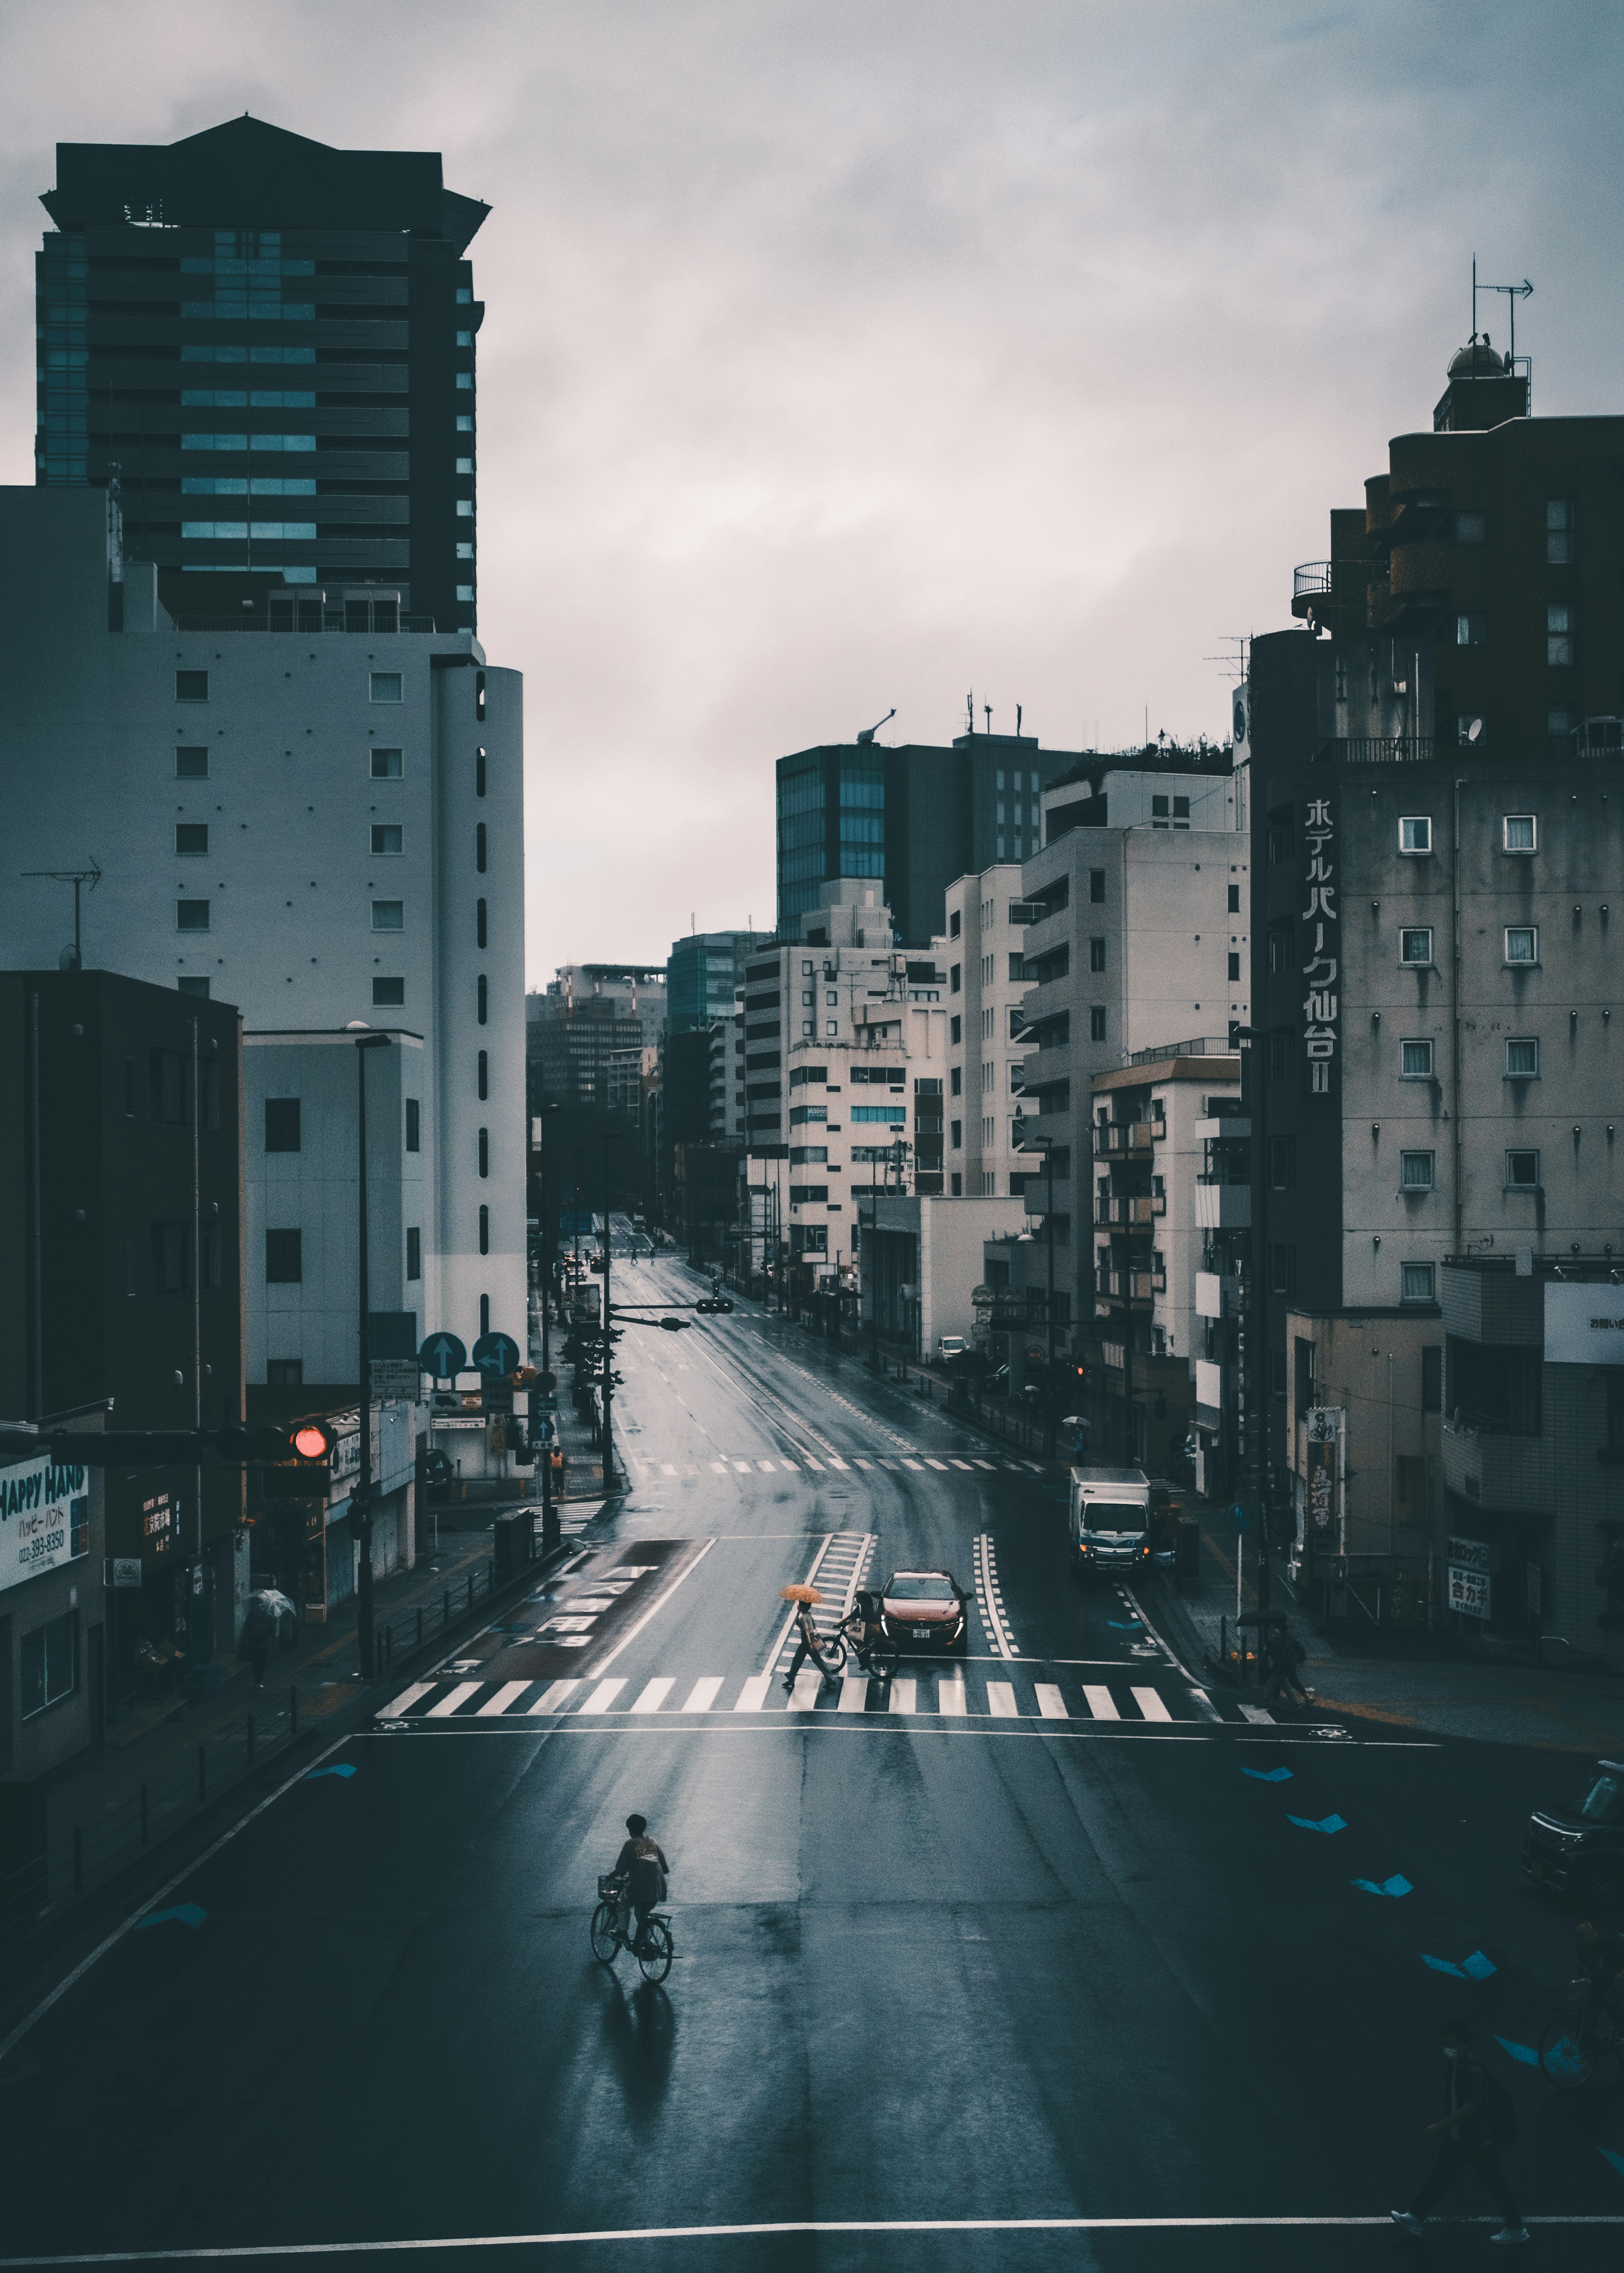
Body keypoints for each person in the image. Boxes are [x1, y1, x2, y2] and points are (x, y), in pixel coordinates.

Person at [1391, 2019, 1528, 2247]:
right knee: (1440, 2179)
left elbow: (1470, 2109)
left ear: (1465, 2044)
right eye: (1444, 2044)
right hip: (1461, 2138)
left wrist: (1439, 2127)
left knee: (1495, 2184)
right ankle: (1415, 2217)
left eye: (1452, 2044)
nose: (1447, 2049)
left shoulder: (1472, 2069)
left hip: (1476, 2142)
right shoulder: (1456, 2063)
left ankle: (1517, 2228)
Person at [610, 1813, 669, 1953]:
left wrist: (611, 1876)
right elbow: (664, 1868)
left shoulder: (630, 1844)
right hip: (656, 1888)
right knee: (641, 1915)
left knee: (622, 1903)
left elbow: (620, 1870)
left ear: (630, 1829)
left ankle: (622, 1930)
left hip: (638, 1888)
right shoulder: (652, 1842)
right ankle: (646, 1945)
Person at [1260, 1623, 1308, 1713]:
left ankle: (1264, 1704)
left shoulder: (1276, 1644)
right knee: (1285, 1687)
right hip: (1284, 1668)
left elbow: (1271, 1654)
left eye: (1270, 1637)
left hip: (1278, 1669)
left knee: (1269, 1686)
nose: (1270, 1638)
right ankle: (1294, 1703)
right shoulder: (1284, 1641)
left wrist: (1266, 1648)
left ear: (1273, 1636)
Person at [784, 1594, 828, 1689]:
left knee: (798, 1660)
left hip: (806, 1642)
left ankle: (791, 1677)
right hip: (809, 1641)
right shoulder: (808, 1615)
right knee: (816, 1660)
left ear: (803, 1606)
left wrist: (809, 1644)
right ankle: (830, 1678)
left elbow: (807, 1631)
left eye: (800, 1604)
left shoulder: (804, 1617)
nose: (799, 1606)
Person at [241, 1594, 277, 1690]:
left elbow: (246, 1627)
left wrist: (245, 1638)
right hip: (263, 1644)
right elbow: (272, 1630)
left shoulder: (252, 1613)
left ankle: (257, 1679)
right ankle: (259, 1680)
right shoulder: (269, 1616)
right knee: (261, 1662)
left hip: (254, 1642)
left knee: (256, 1661)